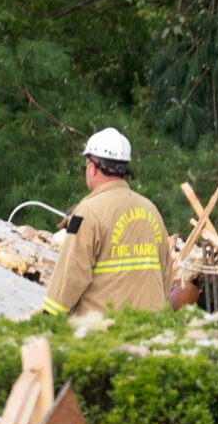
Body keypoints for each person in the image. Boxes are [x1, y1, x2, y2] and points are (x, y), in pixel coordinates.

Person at [41, 128, 198, 316]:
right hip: (149, 331)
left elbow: (69, 278)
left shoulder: (87, 213)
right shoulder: (150, 210)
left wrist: (48, 317)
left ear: (93, 167)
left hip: (104, 332)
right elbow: (165, 275)